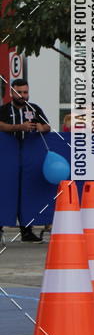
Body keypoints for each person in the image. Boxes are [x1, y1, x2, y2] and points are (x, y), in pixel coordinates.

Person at [0, 79, 51, 242]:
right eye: (19, 92)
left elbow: (47, 126)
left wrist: (40, 128)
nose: (23, 96)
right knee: (5, 191)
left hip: (29, 158)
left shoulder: (34, 109)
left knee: (27, 192)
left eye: (25, 92)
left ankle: (27, 230)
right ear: (12, 93)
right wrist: (18, 127)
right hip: (7, 158)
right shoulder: (4, 109)